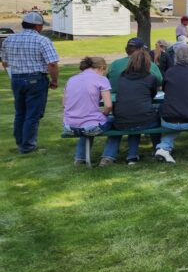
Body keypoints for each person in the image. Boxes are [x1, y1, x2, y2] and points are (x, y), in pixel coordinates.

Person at [0, 11, 60, 154]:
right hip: (36, 79)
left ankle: (21, 142)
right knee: (33, 113)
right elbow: (52, 64)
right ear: (37, 26)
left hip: (17, 79)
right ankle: (28, 146)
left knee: (20, 112)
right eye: (41, 26)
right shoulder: (42, 40)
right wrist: (54, 80)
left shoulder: (9, 39)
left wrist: (14, 76)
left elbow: (5, 62)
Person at [103, 49, 161, 165]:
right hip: (144, 119)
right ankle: (158, 149)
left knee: (134, 118)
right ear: (148, 63)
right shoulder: (151, 78)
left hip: (122, 120)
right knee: (152, 117)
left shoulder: (122, 77)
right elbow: (152, 95)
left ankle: (131, 155)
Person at [62, 57, 113, 165]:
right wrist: (104, 114)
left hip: (69, 126)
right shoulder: (101, 79)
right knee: (116, 121)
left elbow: (64, 104)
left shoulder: (71, 79)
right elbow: (108, 105)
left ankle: (80, 158)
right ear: (102, 67)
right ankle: (108, 156)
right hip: (90, 126)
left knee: (88, 123)